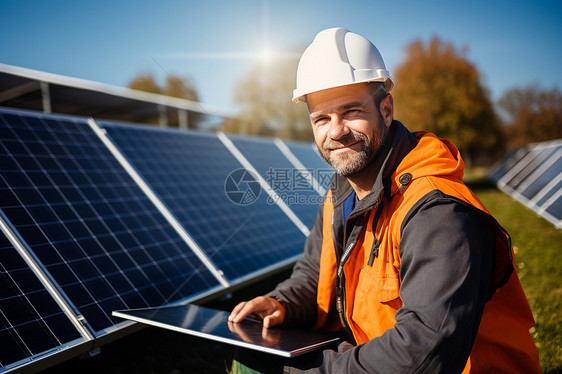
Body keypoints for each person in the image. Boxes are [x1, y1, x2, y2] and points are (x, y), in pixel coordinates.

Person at [228, 27, 540, 373]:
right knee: (250, 356)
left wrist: (314, 370)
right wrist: (279, 303)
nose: (336, 131)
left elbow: (423, 356)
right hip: (378, 354)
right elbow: (315, 275)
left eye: (350, 111)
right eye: (321, 118)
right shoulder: (340, 192)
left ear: (386, 109)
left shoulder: (437, 211)